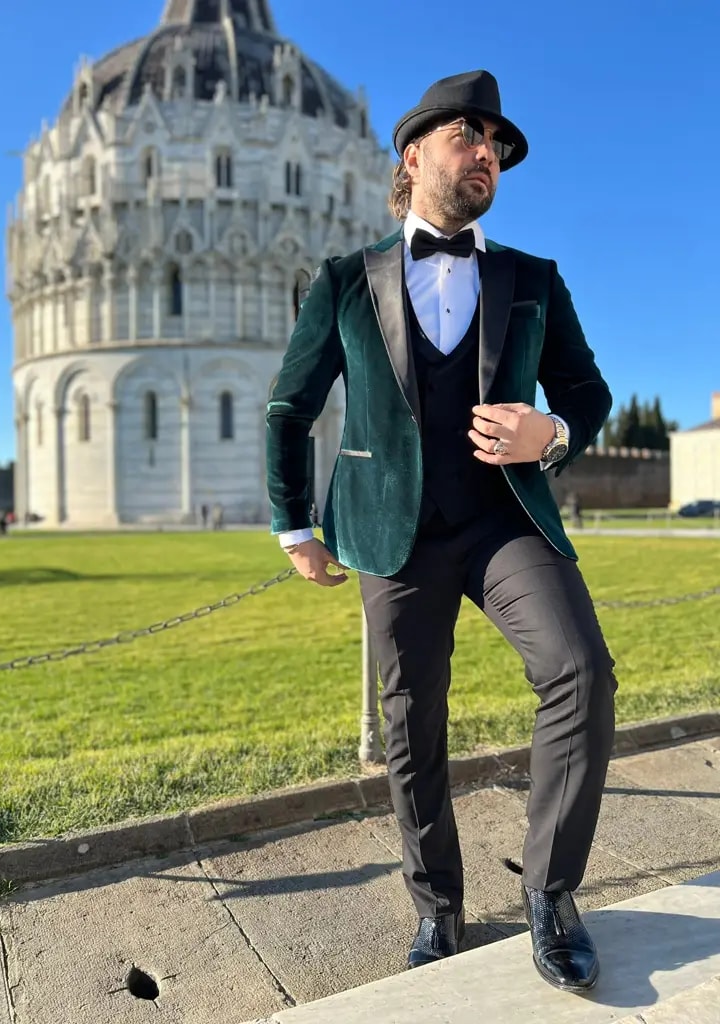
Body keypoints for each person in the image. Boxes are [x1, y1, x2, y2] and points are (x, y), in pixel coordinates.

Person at [266, 70, 616, 992]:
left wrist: (555, 433)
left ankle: (551, 895)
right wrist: (291, 525)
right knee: (412, 724)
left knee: (581, 672)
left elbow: (586, 393)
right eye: (470, 135)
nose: (488, 154)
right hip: (393, 534)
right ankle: (438, 906)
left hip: (507, 521)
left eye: (497, 145)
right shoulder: (343, 281)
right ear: (413, 154)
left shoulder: (531, 278)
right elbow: (288, 407)